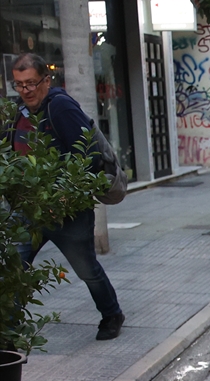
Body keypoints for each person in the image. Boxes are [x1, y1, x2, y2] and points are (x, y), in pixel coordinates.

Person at [8, 53, 124, 340]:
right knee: (14, 269)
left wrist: (64, 194)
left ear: (46, 81)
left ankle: (112, 314)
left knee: (86, 269)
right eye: (19, 85)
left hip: (66, 211)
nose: (26, 90)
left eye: (32, 83)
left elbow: (88, 154)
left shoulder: (60, 107)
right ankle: (8, 330)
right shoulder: (17, 112)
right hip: (29, 211)